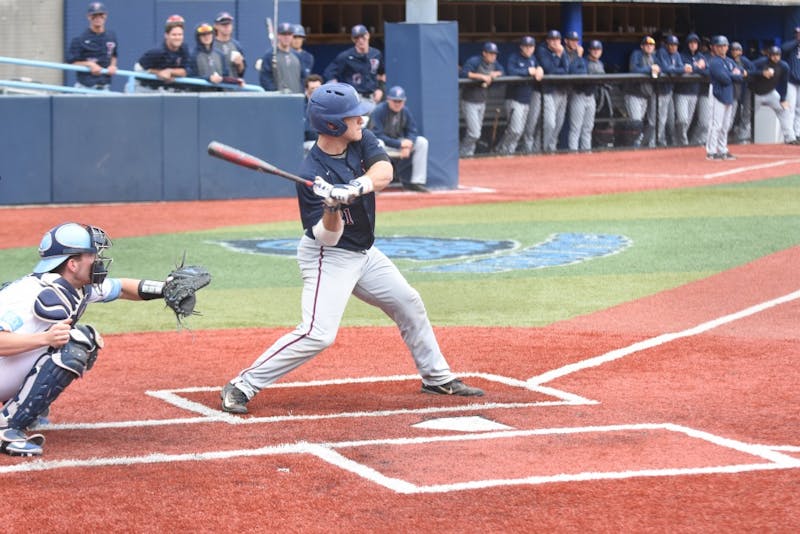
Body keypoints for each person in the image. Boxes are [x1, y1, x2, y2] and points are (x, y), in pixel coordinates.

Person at [220, 82, 483, 414]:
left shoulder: (361, 141)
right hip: (328, 257)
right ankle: (243, 384)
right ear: (332, 125)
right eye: (353, 116)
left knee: (409, 302)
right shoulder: (311, 174)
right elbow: (327, 238)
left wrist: (356, 186)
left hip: (365, 253)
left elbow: (384, 171)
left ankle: (436, 377)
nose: (361, 120)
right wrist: (331, 206)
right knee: (318, 334)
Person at [0, 223, 207, 456]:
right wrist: (44, 339)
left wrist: (164, 288)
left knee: (73, 340)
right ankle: (7, 427)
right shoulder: (29, 294)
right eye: (91, 255)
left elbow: (121, 288)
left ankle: (24, 410)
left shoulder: (76, 286)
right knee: (76, 342)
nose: (98, 259)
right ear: (72, 263)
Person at [369, 85, 430, 192]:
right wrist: (400, 145)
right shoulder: (378, 111)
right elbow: (376, 135)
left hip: (397, 144)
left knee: (422, 142)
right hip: (382, 146)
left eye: (400, 101)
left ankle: (417, 182)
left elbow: (412, 130)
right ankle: (374, 183)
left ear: (404, 101)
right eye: (395, 101)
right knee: (379, 142)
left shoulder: (405, 111)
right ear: (388, 100)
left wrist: (409, 143)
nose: (397, 104)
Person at [496, 36, 543, 155]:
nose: (528, 49)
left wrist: (539, 70)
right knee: (514, 129)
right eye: (526, 46)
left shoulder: (533, 59)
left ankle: (509, 152)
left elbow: (538, 68)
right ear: (521, 47)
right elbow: (511, 71)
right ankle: (502, 150)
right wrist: (528, 71)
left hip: (526, 100)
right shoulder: (514, 57)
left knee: (519, 131)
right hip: (513, 99)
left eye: (531, 46)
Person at [458, 42, 504, 157]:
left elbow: (503, 71)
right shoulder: (475, 61)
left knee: (474, 132)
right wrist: (482, 76)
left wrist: (495, 74)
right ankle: (462, 154)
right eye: (490, 53)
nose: (493, 56)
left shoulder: (494, 63)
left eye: (495, 54)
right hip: (469, 101)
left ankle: (469, 155)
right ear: (484, 53)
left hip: (482, 101)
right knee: (475, 133)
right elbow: (463, 73)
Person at [323, 25, 385, 105]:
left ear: (368, 35)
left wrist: (380, 89)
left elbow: (382, 74)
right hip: (354, 98)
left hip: (372, 97)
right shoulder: (346, 56)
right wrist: (337, 90)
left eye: (362, 36)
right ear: (353, 39)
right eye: (356, 38)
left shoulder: (376, 54)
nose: (360, 40)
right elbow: (329, 73)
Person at [750, 46, 800, 145]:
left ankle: (790, 138)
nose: (775, 57)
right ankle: (744, 137)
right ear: (769, 55)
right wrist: (761, 73)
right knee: (748, 115)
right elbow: (747, 71)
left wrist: (783, 98)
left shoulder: (784, 66)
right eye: (773, 55)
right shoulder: (761, 62)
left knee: (784, 110)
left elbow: (784, 83)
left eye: (777, 55)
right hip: (755, 93)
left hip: (771, 92)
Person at [706, 35, 745, 160]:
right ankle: (711, 151)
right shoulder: (714, 62)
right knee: (715, 124)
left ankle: (722, 149)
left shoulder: (729, 61)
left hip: (729, 94)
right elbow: (724, 79)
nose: (722, 48)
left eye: (724, 46)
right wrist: (732, 75)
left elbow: (740, 77)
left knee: (725, 125)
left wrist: (733, 75)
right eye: (719, 46)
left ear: (727, 47)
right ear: (714, 48)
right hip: (717, 93)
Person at [66, 2, 118, 90]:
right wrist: (89, 64)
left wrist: (113, 66)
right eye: (94, 15)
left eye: (101, 15)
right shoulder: (80, 38)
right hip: (85, 86)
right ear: (89, 17)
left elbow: (114, 55)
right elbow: (71, 62)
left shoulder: (111, 36)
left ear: (105, 16)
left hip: (105, 86)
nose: (98, 18)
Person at [135, 15, 190, 92]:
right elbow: (138, 68)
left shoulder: (184, 48)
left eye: (180, 34)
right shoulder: (157, 51)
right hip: (147, 89)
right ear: (166, 35)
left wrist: (170, 72)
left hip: (171, 90)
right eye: (174, 35)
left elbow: (186, 71)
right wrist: (158, 73)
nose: (177, 37)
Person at [535, 30, 570, 152]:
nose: (555, 42)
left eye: (557, 40)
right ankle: (540, 149)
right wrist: (559, 55)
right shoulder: (542, 50)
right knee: (549, 123)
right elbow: (549, 69)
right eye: (552, 40)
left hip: (562, 91)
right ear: (548, 41)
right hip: (548, 91)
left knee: (558, 124)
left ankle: (551, 149)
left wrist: (561, 54)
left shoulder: (561, 50)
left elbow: (566, 70)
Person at [568, 40, 604, 152]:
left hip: (591, 96)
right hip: (579, 94)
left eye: (598, 49)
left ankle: (586, 153)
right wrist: (578, 57)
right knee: (576, 128)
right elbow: (575, 73)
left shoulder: (600, 64)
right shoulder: (582, 61)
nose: (596, 51)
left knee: (588, 128)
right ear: (589, 50)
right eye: (593, 49)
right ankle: (573, 154)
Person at [625, 35, 661, 148]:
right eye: (647, 44)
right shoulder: (636, 54)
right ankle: (631, 146)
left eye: (651, 45)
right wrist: (649, 69)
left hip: (645, 95)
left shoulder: (654, 57)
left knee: (640, 122)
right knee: (636, 122)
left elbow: (662, 68)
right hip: (633, 94)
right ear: (642, 46)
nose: (649, 47)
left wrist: (658, 70)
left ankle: (638, 145)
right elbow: (634, 69)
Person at [657, 35, 692, 146]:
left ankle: (672, 142)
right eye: (671, 45)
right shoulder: (662, 52)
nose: (673, 47)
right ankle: (658, 142)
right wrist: (681, 69)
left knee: (671, 119)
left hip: (669, 91)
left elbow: (679, 68)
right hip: (660, 91)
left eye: (675, 45)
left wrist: (679, 69)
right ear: (667, 45)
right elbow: (666, 68)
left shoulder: (676, 55)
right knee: (660, 119)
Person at [675, 33, 707, 146]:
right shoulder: (681, 56)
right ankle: (682, 143)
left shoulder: (701, 57)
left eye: (695, 42)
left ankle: (686, 143)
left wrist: (694, 68)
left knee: (687, 121)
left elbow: (706, 71)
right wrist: (697, 67)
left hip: (694, 92)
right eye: (691, 42)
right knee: (682, 120)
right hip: (681, 92)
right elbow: (681, 69)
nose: (693, 45)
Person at [258, 22, 303, 93]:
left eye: (289, 34)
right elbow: (265, 79)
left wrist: (301, 92)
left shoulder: (297, 56)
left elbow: (303, 77)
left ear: (292, 36)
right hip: (278, 98)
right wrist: (275, 92)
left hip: (296, 97)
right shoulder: (270, 55)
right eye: (283, 34)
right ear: (278, 35)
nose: (286, 37)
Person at [187, 22, 229, 89]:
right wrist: (208, 78)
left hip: (219, 94)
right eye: (203, 35)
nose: (206, 37)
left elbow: (226, 75)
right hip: (199, 95)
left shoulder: (220, 55)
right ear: (198, 37)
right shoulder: (192, 56)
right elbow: (189, 78)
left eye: (209, 34)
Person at [730, 42, 755, 143]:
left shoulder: (744, 60)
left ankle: (744, 136)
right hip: (733, 91)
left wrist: (746, 72)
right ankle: (732, 134)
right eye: (734, 50)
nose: (736, 52)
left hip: (745, 89)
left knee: (746, 112)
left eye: (737, 50)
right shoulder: (729, 61)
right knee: (734, 114)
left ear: (741, 51)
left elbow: (753, 69)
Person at [212, 11, 246, 78]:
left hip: (232, 85)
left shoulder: (236, 45)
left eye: (228, 24)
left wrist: (240, 64)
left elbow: (241, 72)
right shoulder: (211, 44)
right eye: (223, 24)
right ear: (216, 26)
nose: (226, 27)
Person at [781, 27, 800, 140]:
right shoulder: (791, 45)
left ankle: (798, 133)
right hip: (791, 81)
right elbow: (783, 48)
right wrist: (797, 41)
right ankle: (790, 135)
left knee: (799, 109)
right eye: (798, 34)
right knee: (790, 108)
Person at [302, 74, 324, 154]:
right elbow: (306, 130)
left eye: (318, 88)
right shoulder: (300, 105)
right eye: (312, 88)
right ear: (306, 90)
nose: (315, 91)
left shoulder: (329, 104)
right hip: (308, 142)